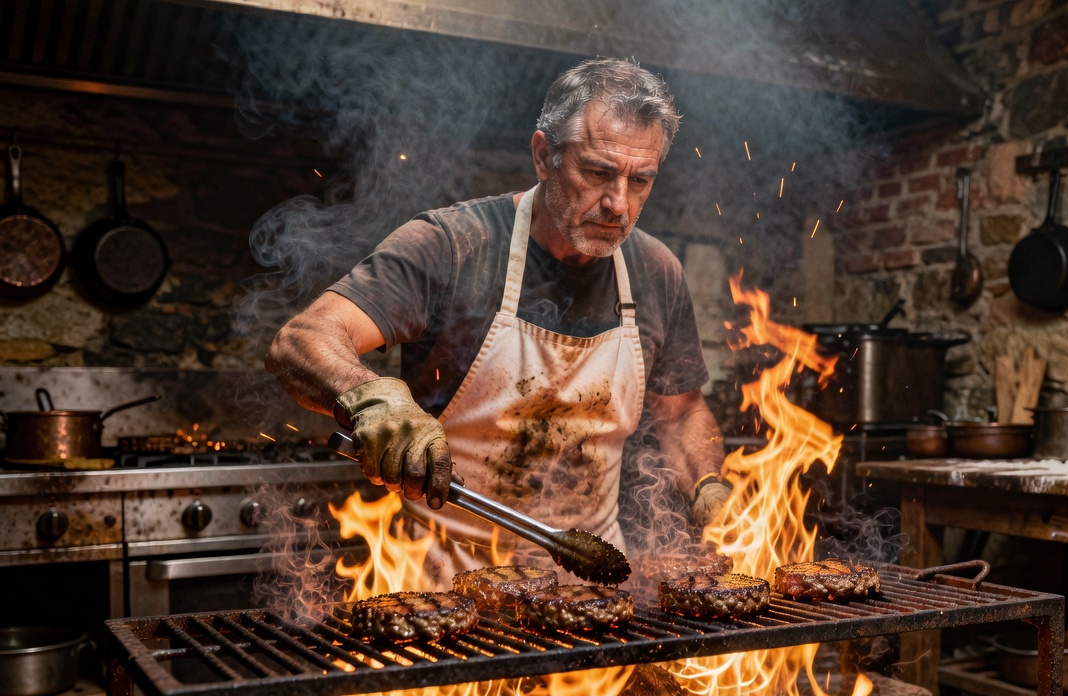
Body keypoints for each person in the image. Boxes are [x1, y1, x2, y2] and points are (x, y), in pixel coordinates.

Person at [266, 57, 732, 584]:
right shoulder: (455, 246)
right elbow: (303, 339)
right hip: (445, 592)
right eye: (598, 173)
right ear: (543, 156)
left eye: (640, 180)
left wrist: (708, 483)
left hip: (591, 594)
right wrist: (372, 399)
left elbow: (683, 412)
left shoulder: (656, 273)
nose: (618, 204)